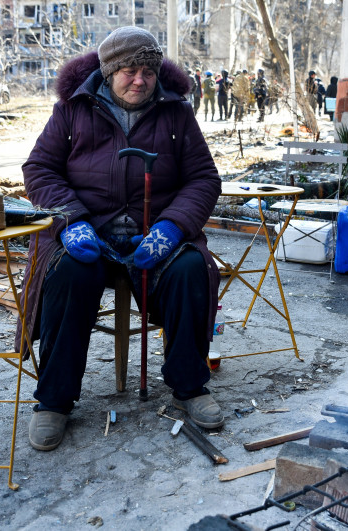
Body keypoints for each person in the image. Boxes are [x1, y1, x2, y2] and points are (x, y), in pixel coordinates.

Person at [17, 26, 224, 452]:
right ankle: (54, 400)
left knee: (190, 269)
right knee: (70, 274)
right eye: (129, 70)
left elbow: (203, 177)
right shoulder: (73, 110)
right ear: (109, 71)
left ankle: (190, 386)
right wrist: (71, 219)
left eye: (148, 71)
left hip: (155, 234)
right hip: (88, 234)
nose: (140, 80)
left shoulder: (176, 113)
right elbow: (39, 170)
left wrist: (172, 227)